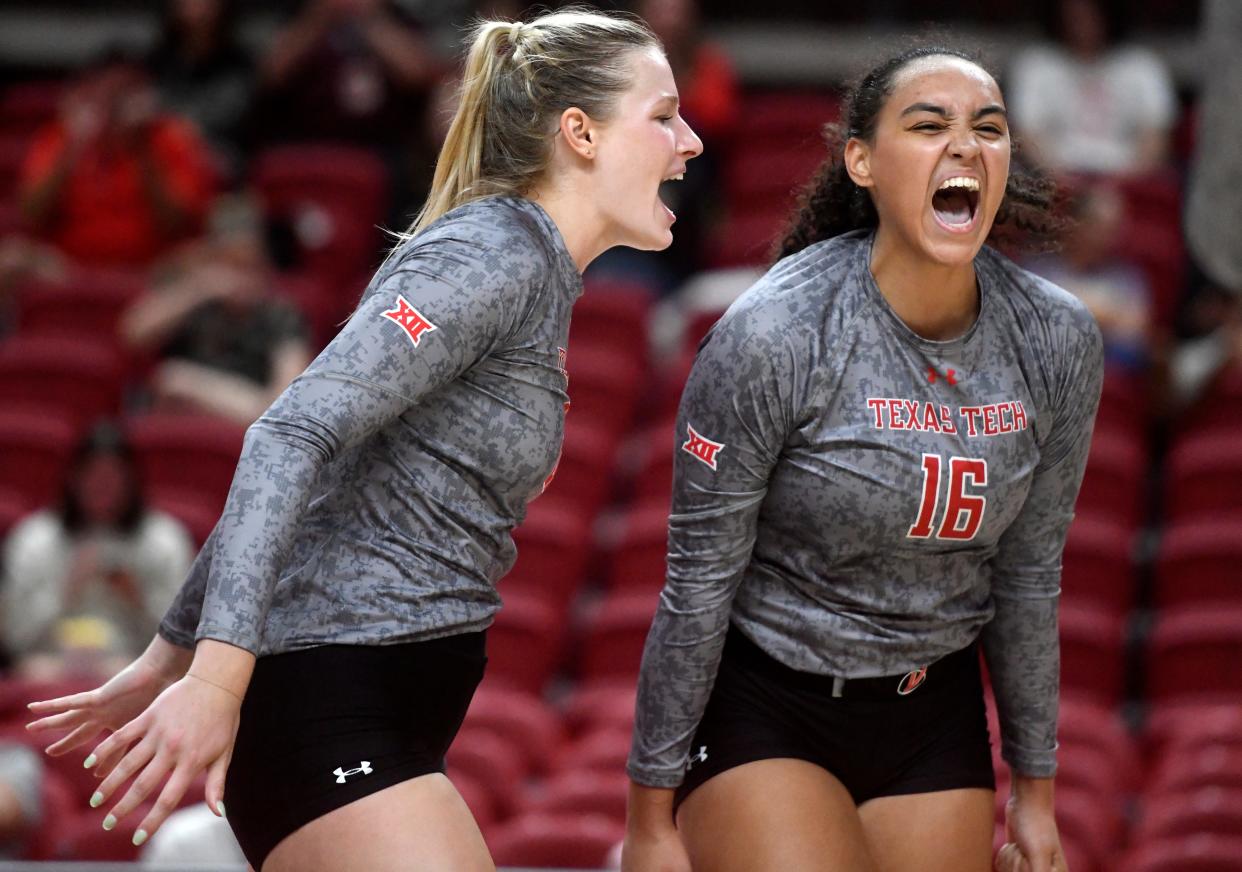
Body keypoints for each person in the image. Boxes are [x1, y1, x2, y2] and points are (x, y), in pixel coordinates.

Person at [26, 8, 702, 872]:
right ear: (579, 132)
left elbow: (327, 464)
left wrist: (173, 648)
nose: (690, 141)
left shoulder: (529, 269)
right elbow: (288, 432)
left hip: (374, 697)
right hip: (330, 696)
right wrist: (209, 677)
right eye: (663, 115)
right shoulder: (492, 254)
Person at [623, 46, 1101, 872]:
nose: (964, 146)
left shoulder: (1056, 339)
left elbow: (1027, 578)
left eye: (988, 128)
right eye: (928, 126)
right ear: (862, 161)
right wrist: (649, 822)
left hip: (931, 708)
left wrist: (1035, 793)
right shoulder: (776, 332)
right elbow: (696, 585)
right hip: (768, 699)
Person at [1, 421, 193, 673]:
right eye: (93, 476)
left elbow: (183, 641)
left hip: (133, 665)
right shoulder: (34, 539)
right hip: (49, 666)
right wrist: (65, 591)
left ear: (132, 481)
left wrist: (137, 599)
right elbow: (13, 638)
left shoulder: (164, 540)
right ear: (73, 479)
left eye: (113, 478)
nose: (103, 488)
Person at [16, 51, 217, 269]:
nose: (114, 103)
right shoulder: (62, 137)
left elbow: (176, 223)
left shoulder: (172, 138)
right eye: (107, 91)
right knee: (11, 258)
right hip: (67, 265)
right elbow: (32, 215)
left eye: (124, 92)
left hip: (155, 267)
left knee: (209, 266)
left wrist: (141, 148)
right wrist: (72, 149)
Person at [1006, 0, 1177, 177]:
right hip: (1053, 181)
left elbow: (1155, 142)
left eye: (1090, 11)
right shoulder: (1036, 65)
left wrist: (1114, 187)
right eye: (1073, 13)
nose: (1082, 21)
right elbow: (1027, 137)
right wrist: (1068, 186)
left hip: (1127, 183)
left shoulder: (1143, 66)